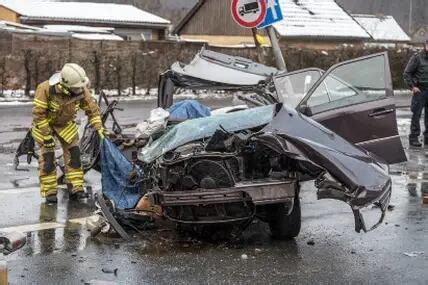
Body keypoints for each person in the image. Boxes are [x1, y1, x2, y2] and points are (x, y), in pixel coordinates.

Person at [32, 63, 105, 203]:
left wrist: (98, 128)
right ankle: (50, 192)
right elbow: (38, 115)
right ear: (65, 84)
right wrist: (46, 136)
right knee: (48, 158)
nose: (79, 90)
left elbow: (92, 109)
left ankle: (76, 188)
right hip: (44, 124)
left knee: (74, 155)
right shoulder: (45, 89)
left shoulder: (81, 89)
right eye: (76, 87)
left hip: (65, 125)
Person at [403, 39, 428, 147]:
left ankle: (427, 138)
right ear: (425, 45)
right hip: (420, 90)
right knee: (416, 115)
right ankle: (413, 137)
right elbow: (407, 73)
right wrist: (412, 87)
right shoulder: (417, 57)